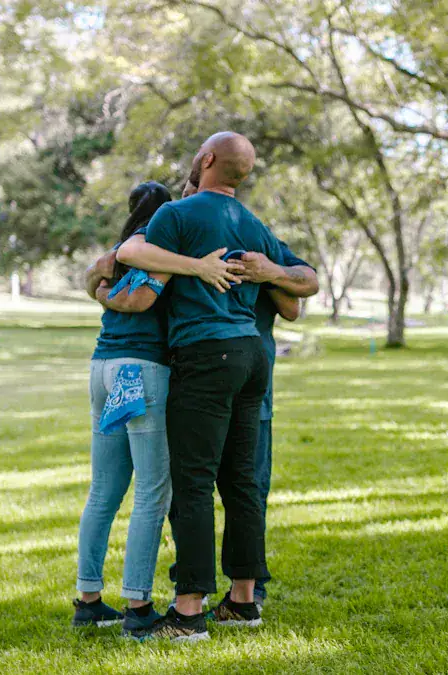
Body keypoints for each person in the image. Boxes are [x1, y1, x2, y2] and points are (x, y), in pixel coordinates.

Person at [116, 132, 319, 642]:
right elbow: (307, 280)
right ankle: (243, 602)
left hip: (207, 356)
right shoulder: (251, 223)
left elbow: (132, 252)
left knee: (193, 483)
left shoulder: (178, 215)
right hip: (253, 358)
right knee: (242, 481)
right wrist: (269, 269)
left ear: (205, 159)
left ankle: (187, 613)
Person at [73, 182, 237, 636]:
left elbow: (96, 279)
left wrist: (98, 291)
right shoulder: (156, 243)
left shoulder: (117, 250)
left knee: (103, 490)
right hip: (141, 370)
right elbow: (143, 297)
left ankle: (88, 601)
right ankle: (138, 606)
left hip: (102, 367)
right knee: (151, 491)